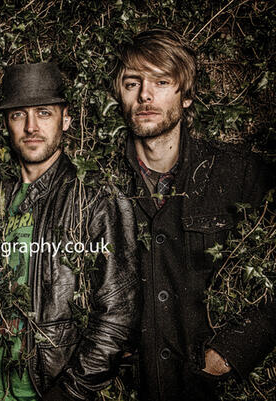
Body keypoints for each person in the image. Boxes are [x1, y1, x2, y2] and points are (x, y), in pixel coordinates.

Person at [113, 29, 276, 400]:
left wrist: (230, 354)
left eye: (162, 81)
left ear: (186, 96)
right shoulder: (101, 186)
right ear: (119, 94)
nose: (145, 95)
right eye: (132, 82)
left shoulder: (240, 175)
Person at [0, 62, 139, 400]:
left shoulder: (97, 199)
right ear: (6, 124)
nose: (31, 127)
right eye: (17, 115)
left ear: (65, 119)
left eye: (43, 113)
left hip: (53, 389)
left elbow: (118, 315)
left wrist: (70, 392)